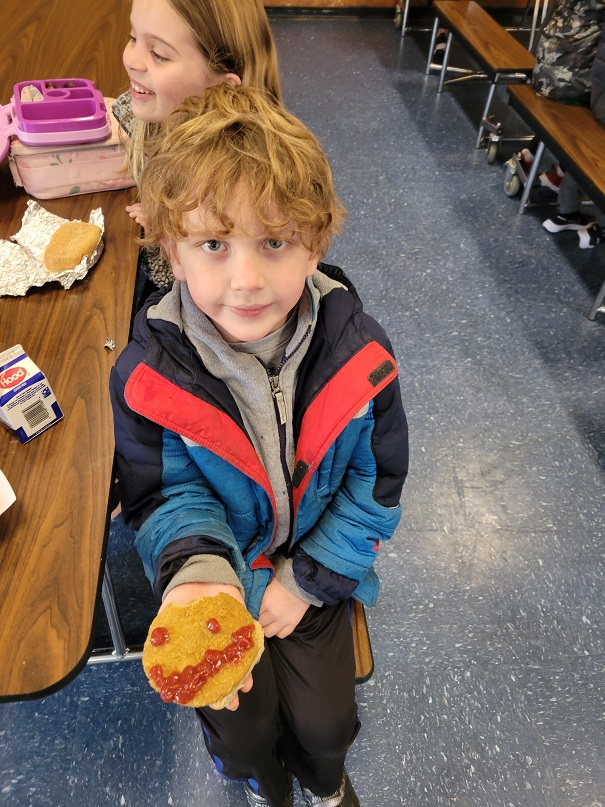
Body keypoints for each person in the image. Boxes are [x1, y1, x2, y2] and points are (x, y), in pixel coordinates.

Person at [109, 84, 409, 807]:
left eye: (273, 242)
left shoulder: (358, 355)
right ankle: (263, 785)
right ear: (172, 255)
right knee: (241, 732)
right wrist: (201, 573)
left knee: (328, 720)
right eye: (214, 244)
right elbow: (161, 494)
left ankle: (326, 782)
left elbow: (377, 483)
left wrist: (305, 580)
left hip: (314, 566)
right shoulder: (149, 376)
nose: (245, 280)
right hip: (218, 575)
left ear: (315, 243)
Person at [112, 0, 282, 288]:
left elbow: (219, 285)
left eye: (158, 54)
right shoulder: (151, 113)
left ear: (223, 87)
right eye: (132, 37)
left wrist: (170, 225)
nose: (131, 59)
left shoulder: (241, 186)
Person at [538, 0, 605, 236]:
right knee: (596, 148)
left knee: (591, 143)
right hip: (570, 79)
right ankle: (600, 230)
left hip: (554, 69)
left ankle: (564, 206)